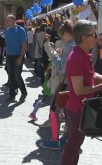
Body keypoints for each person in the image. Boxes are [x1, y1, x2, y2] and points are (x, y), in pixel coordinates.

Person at [60, 20, 102, 165]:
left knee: (75, 145)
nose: (96, 37)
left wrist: (99, 78)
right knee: (73, 146)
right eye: (93, 34)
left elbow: (90, 75)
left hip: (82, 108)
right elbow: (79, 90)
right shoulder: (76, 58)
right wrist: (99, 87)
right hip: (78, 109)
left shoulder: (84, 54)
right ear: (84, 38)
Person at [40, 20, 75, 150]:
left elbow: (62, 68)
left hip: (64, 83)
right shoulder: (76, 44)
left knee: (54, 111)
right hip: (72, 84)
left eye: (62, 35)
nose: (61, 37)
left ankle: (55, 140)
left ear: (66, 32)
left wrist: (56, 56)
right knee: (68, 113)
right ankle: (66, 137)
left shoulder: (68, 46)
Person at [4, 14, 28, 101]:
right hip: (9, 56)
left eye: (8, 20)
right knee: (10, 75)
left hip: (18, 55)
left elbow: (24, 45)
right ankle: (12, 95)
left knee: (17, 75)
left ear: (13, 21)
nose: (7, 22)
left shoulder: (20, 30)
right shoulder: (6, 30)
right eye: (7, 20)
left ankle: (24, 91)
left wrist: (21, 57)